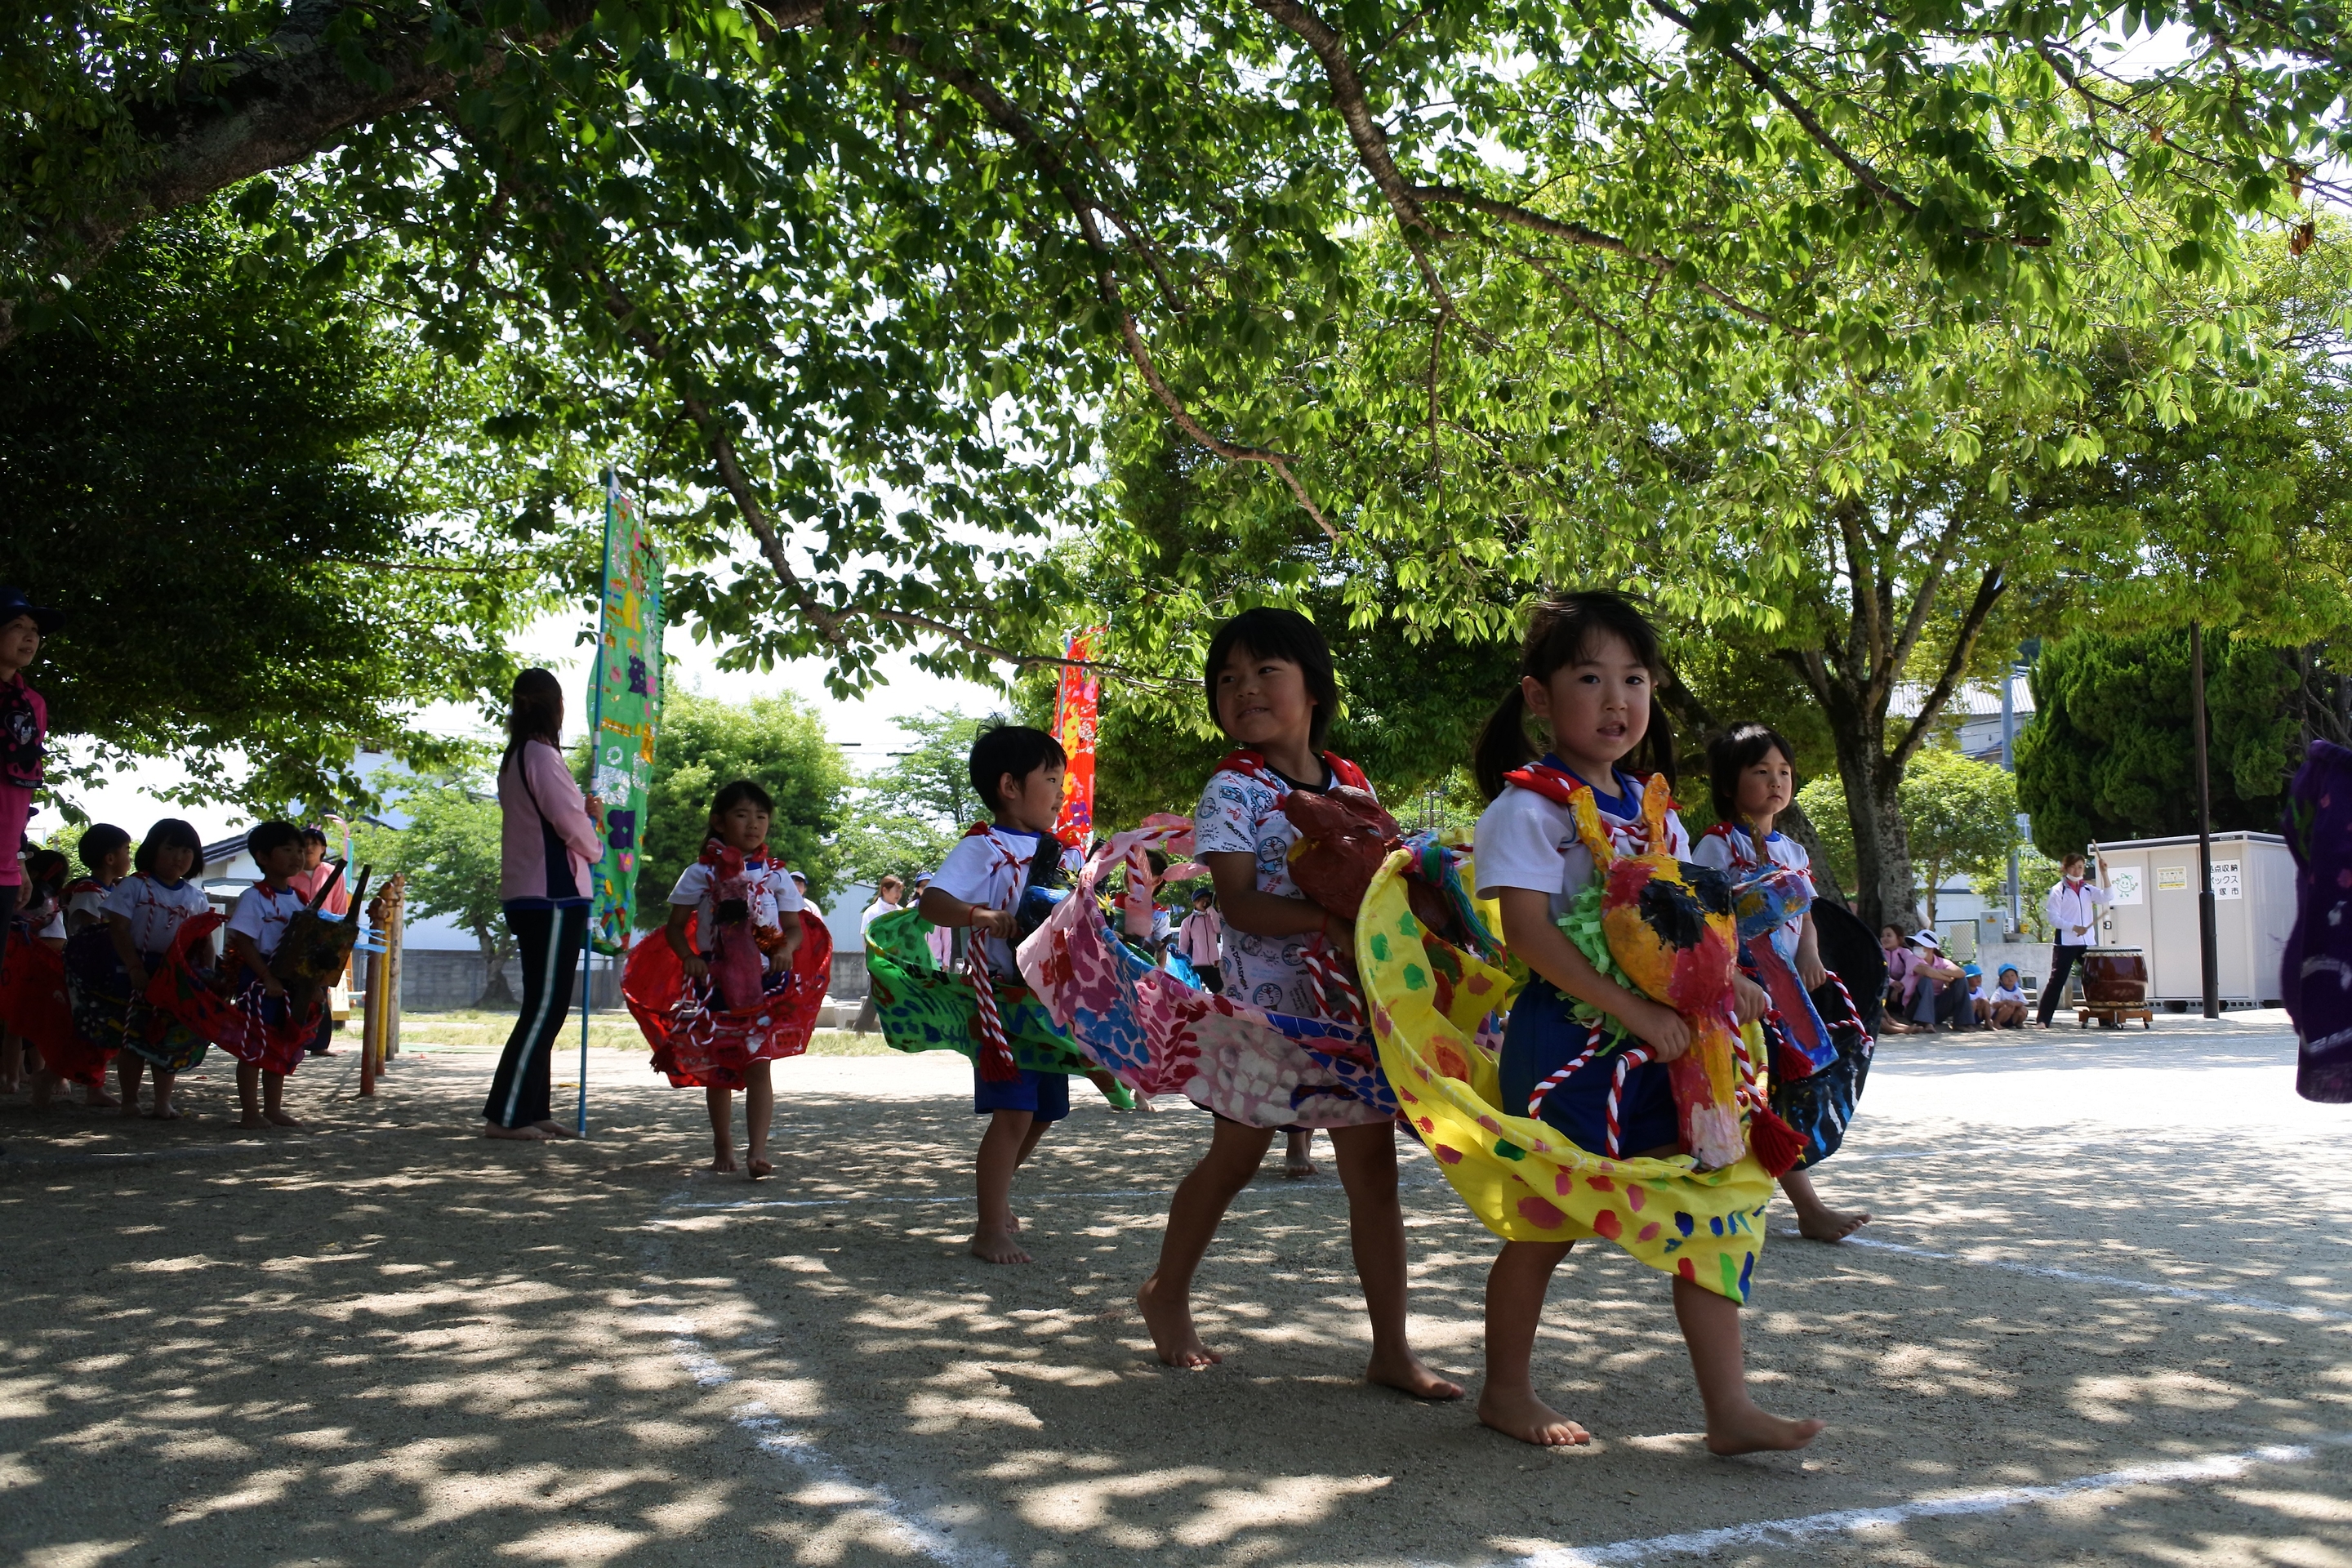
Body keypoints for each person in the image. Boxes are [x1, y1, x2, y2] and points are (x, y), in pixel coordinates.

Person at [1465, 590, 1815, 1454]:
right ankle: (1504, 1391)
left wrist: (1729, 981)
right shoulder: (1527, 809)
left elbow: (1699, 923)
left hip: (1672, 1052)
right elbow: (1529, 934)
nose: (1618, 699)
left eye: (1635, 678)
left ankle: (1728, 1409)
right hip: (1569, 1049)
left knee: (1715, 1207)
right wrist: (1630, 1009)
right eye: (1590, 677)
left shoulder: (1659, 813)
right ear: (1540, 697)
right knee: (1546, 1226)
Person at [1135, 607, 1459, 1400]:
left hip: (1350, 1013)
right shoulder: (1231, 788)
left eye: (1264, 672)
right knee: (1233, 1160)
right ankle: (1165, 1294)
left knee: (1374, 1179)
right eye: (1227, 679)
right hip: (1263, 1019)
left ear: (1313, 687)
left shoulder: (1352, 783)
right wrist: (1331, 918)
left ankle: (1391, 1349)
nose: (1244, 689)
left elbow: (1385, 883)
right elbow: (1240, 906)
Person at [1692, 722, 1872, 1244]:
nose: (1776, 782)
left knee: (1781, 1090)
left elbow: (1808, 917)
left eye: (1784, 772)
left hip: (1787, 991)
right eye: (1761, 771)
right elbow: (1705, 919)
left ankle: (1789, 1204)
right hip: (1740, 993)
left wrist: (1811, 956)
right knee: (1754, 1092)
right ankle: (1803, 1208)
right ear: (1729, 785)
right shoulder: (1714, 847)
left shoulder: (1793, 852)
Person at [920, 724, 1081, 1265]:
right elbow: (932, 903)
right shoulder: (982, 846)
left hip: (1047, 1004)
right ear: (1010, 786)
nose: (1061, 791)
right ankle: (989, 1227)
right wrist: (980, 914)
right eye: (1051, 779)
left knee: (1042, 1114)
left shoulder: (1062, 853)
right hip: (1004, 1004)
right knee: (1013, 1115)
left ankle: (996, 1200)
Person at [657, 780, 807, 1178]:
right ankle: (723, 1143)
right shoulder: (700, 873)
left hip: (765, 982)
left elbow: (793, 928)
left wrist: (784, 948)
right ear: (719, 822)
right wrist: (689, 957)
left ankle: (758, 1151)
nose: (754, 824)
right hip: (716, 984)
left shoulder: (776, 874)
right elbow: (674, 927)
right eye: (743, 815)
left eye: (761, 817)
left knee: (760, 1064)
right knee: (721, 1067)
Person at [485, 669, 604, 1142]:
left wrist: (581, 813)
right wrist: (591, 834)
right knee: (544, 1007)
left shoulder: (516, 756)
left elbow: (558, 813)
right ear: (556, 708)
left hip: (532, 891)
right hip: (553, 892)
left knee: (545, 1005)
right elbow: (567, 822)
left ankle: (531, 1108)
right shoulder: (541, 754)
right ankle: (507, 1114)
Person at [96, 820, 214, 1118]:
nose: (178, 856)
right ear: (153, 850)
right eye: (170, 847)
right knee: (132, 1038)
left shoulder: (195, 897)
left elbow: (204, 940)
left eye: (186, 850)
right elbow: (118, 928)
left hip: (176, 974)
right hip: (135, 969)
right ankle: (130, 1100)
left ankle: (163, 1102)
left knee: (168, 1038)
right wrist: (134, 966)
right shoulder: (134, 886)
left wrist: (208, 977)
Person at [219, 822, 315, 1129]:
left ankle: (273, 1109)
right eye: (286, 849)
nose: (296, 857)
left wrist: (314, 985)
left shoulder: (301, 899)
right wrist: (266, 977)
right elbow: (243, 941)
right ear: (262, 857)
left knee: (282, 1044)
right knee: (253, 1047)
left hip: (292, 981)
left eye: (300, 850)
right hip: (260, 980)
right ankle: (250, 1112)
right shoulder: (254, 897)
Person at [35, 824, 131, 1107]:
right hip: (90, 974)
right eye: (126, 851)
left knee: (102, 1033)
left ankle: (94, 1087)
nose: (129, 856)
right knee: (90, 1032)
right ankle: (49, 1077)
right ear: (110, 858)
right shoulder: (90, 891)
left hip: (104, 970)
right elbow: (90, 931)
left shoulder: (109, 890)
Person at [0, 590, 58, 1006]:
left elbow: (22, 790)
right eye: (17, 626)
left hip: (4, 868)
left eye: (34, 630)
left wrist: (20, 862)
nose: (29, 637)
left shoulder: (33, 703)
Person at [2037, 853, 2109, 1027]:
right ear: (2065, 868)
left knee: (2096, 979)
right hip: (2067, 942)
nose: (2077, 871)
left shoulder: (2087, 889)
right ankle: (2043, 1020)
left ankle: (2105, 1018)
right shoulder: (2058, 890)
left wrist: (2104, 873)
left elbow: (2107, 897)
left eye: (2080, 867)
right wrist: (2074, 927)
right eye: (2073, 867)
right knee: (2057, 980)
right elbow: (2053, 918)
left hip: (2087, 942)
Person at [1902, 930, 1968, 1031]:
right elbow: (1927, 972)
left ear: (1930, 948)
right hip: (1914, 1009)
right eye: (1916, 944)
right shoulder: (1912, 959)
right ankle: (1926, 1022)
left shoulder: (1942, 961)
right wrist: (1947, 978)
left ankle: (1962, 1022)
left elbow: (1961, 973)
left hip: (1937, 1008)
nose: (1916, 947)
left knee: (1961, 980)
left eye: (1920, 944)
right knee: (1926, 980)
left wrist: (1937, 971)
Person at [1175, 889, 1223, 992]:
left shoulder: (1212, 918)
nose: (1205, 902)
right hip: (1195, 965)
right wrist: (1183, 963)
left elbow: (1218, 929)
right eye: (1201, 899)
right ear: (1195, 903)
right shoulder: (1188, 922)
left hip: (1213, 964)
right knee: (1194, 993)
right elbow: (1183, 944)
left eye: (1207, 899)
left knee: (1219, 991)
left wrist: (1211, 911)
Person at [1984, 964, 2030, 1028]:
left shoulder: (2018, 991)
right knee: (2008, 1007)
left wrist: (2014, 1003)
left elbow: (2023, 1002)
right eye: (2006, 976)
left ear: (2017, 978)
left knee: (2023, 1009)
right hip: (2002, 1016)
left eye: (2012, 975)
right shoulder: (2000, 991)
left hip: (2012, 1017)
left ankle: (2018, 1023)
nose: (2010, 978)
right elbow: (1993, 1004)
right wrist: (2004, 1002)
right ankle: (1996, 1023)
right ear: (2001, 979)